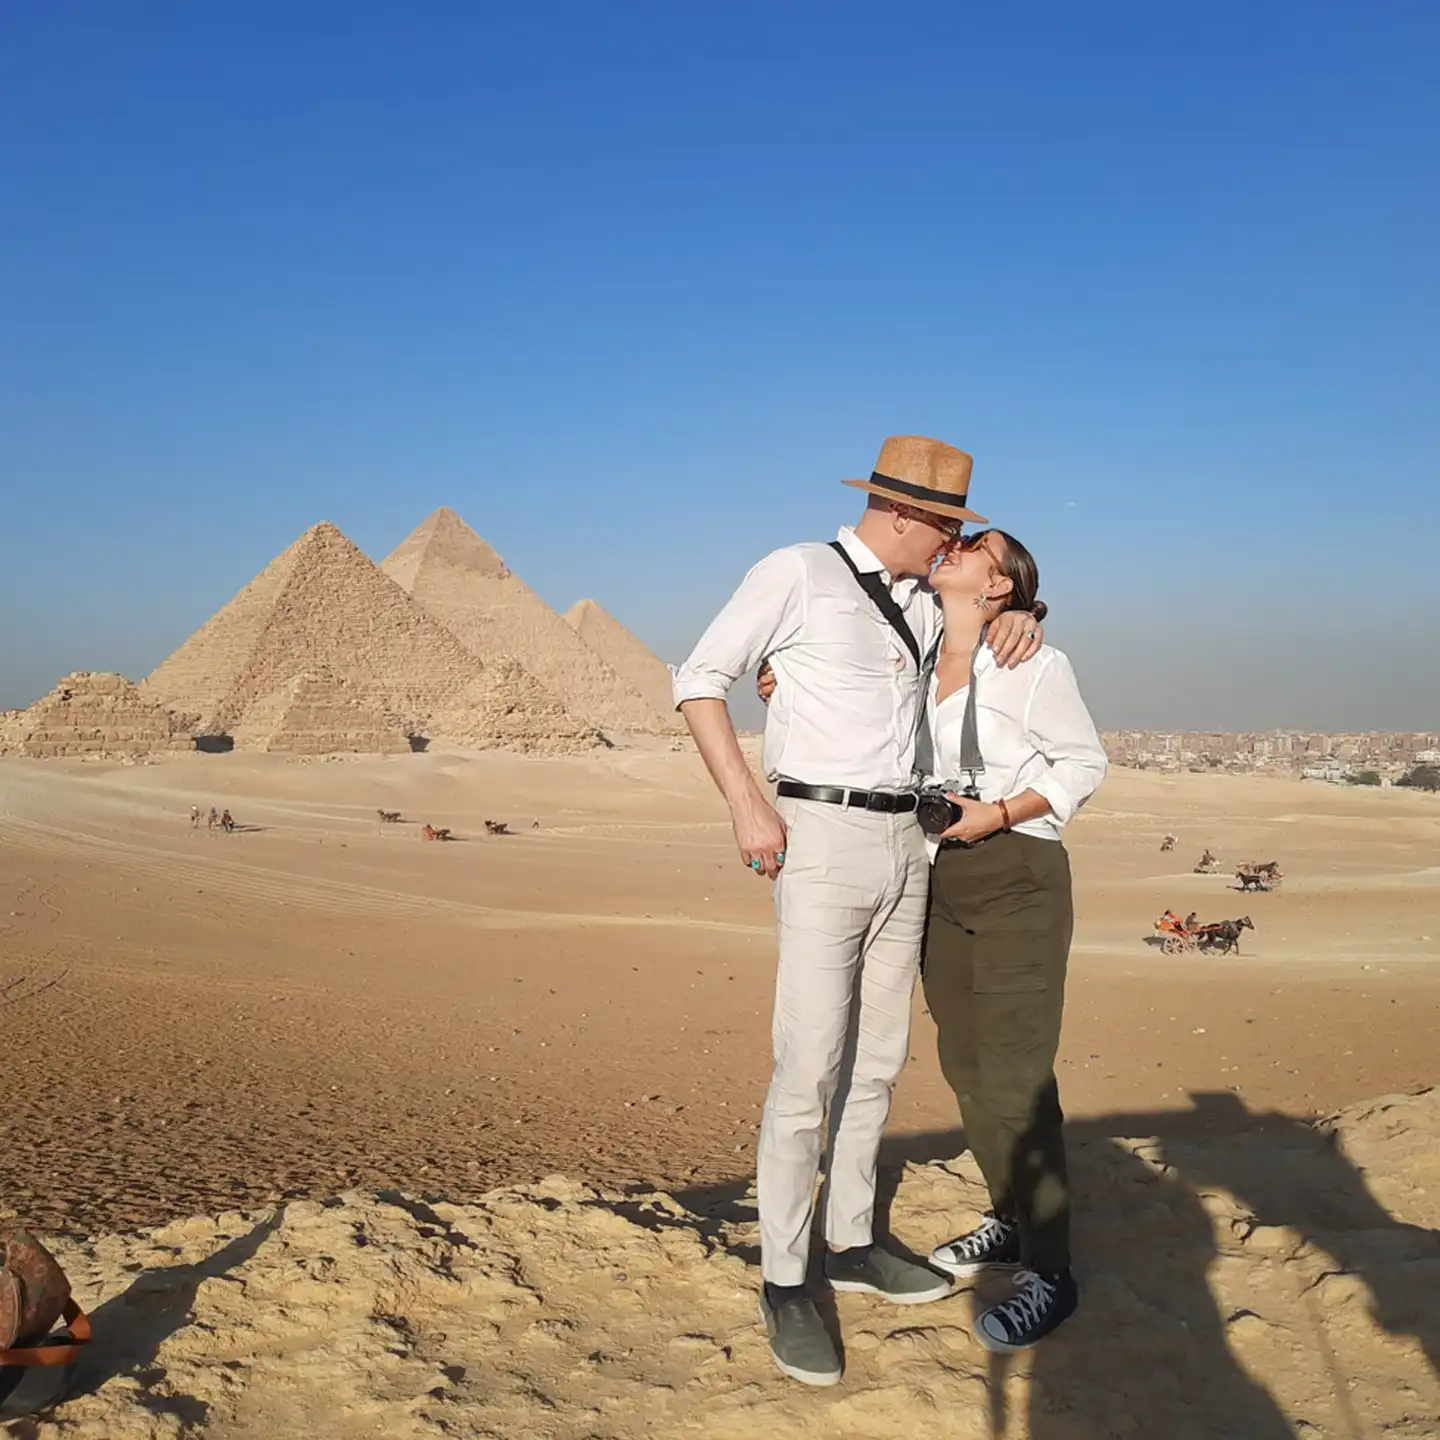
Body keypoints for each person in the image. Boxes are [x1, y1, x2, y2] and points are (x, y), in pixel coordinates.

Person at [672, 436, 1043, 1386]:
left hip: (904, 843)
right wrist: (749, 802)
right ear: (909, 515)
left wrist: (1023, 620)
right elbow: (699, 678)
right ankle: (787, 1278)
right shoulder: (797, 572)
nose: (953, 545)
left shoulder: (927, 601)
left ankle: (850, 1243)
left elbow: (971, 642)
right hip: (820, 837)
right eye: (949, 527)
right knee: (809, 1066)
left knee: (879, 1059)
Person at [917, 529, 1107, 1351]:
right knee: (964, 1065)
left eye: (971, 544)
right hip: (936, 878)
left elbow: (1082, 762)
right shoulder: (917, 645)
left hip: (1016, 870)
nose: (948, 545)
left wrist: (997, 812)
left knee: (1018, 1074)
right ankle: (1006, 1217)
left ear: (999, 587)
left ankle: (1052, 1271)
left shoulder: (1034, 661)